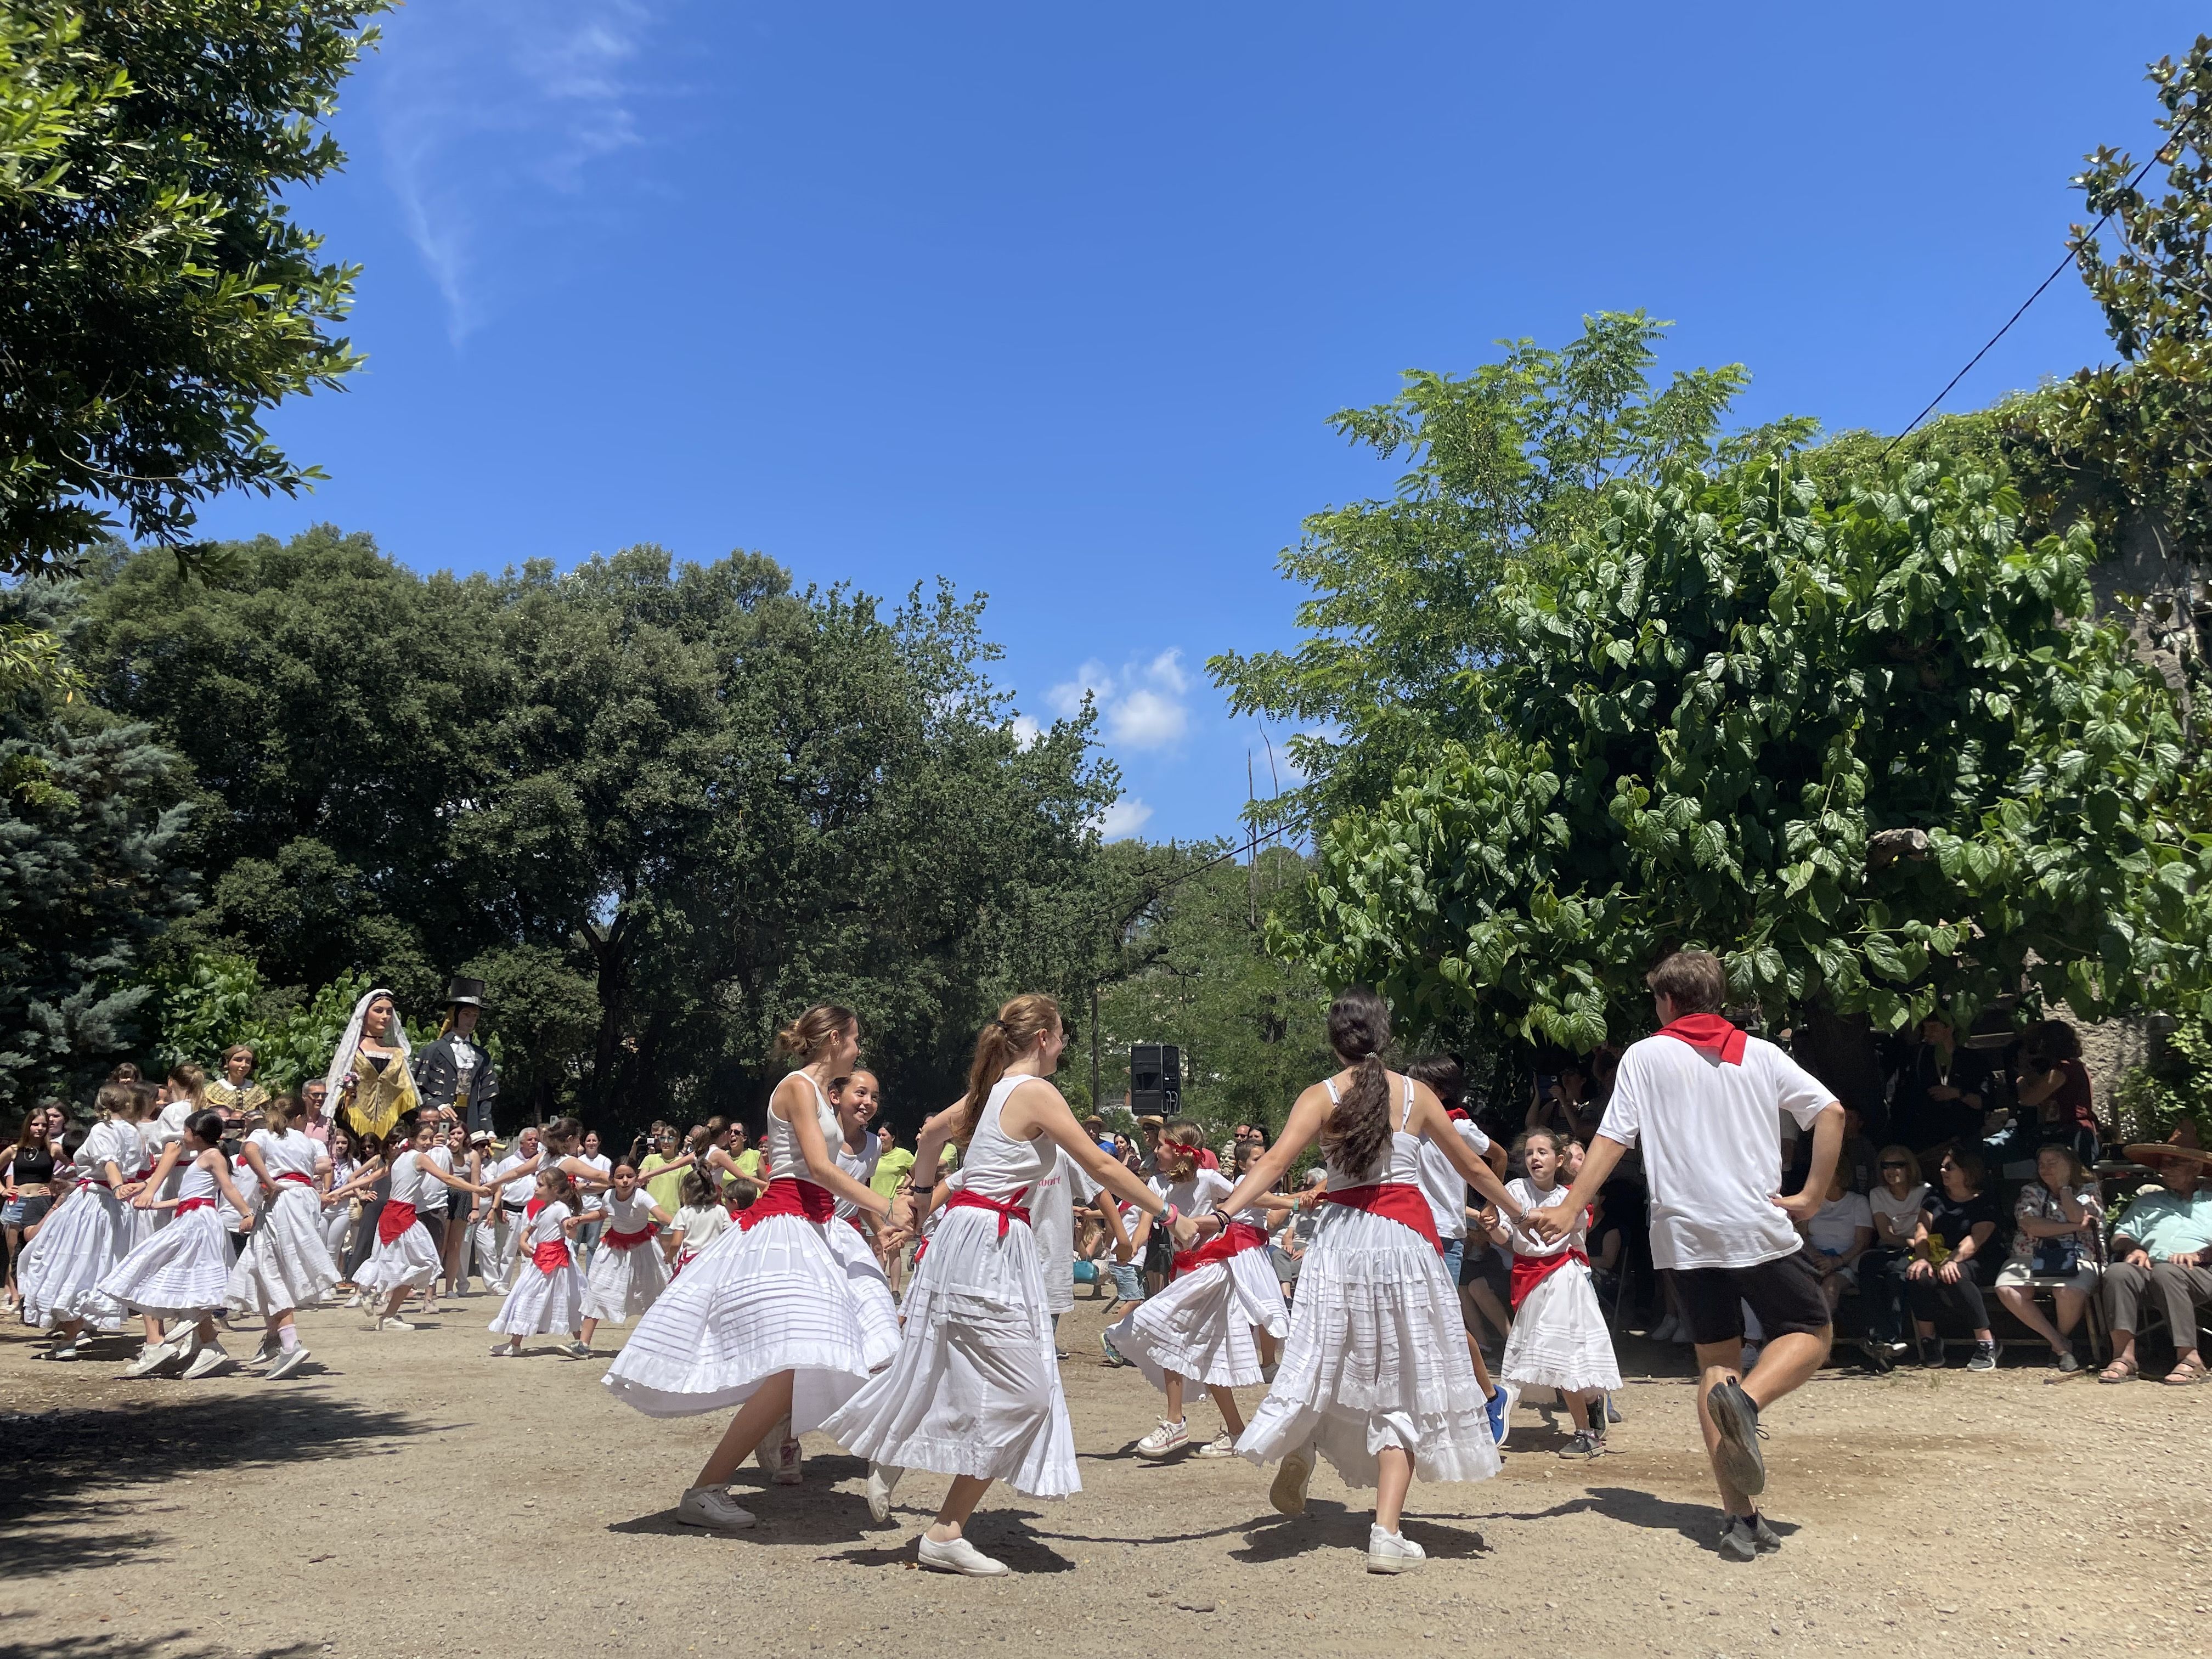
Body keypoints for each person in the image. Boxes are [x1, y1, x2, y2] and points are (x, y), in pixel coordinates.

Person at [821, 994, 1195, 1577]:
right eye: (1063, 1035)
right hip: (988, 1244)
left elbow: (927, 1139)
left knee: (986, 1377)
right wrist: (1174, 1218)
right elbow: (1101, 1167)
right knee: (1026, 1391)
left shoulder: (991, 1090)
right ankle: (937, 1519)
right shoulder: (1031, 1091)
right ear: (1044, 1035)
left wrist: (920, 1204)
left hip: (983, 1240)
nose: (1066, 1046)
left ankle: (935, 1511)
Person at [1532, 950, 1842, 1562]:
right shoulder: (1760, 1053)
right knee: (1811, 1331)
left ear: (1666, 1002)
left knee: (1715, 1363)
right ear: (1718, 999)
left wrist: (1570, 1210)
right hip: (1756, 1223)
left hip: (1686, 1233)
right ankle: (1748, 1407)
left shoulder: (1646, 1056)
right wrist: (1811, 1194)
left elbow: (1614, 1137)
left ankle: (1739, 1518)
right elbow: (1829, 1111)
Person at [1214, 988, 1525, 1575]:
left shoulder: (1321, 1095)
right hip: (1405, 1247)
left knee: (1328, 1356)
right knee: (1401, 1377)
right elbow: (1474, 1167)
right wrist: (1518, 1211)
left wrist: (1224, 1212)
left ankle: (1302, 1441)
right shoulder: (1418, 1095)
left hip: (1340, 1245)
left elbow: (1274, 1162)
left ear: (1335, 1041)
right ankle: (1386, 1532)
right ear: (1384, 1037)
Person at [603, 1004, 894, 1530]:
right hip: (787, 1223)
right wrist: (886, 1207)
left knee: (811, 1356)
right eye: (855, 1039)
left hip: (810, 1224)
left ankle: (750, 1462)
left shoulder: (817, 1095)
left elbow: (826, 1172)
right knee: (795, 1357)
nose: (858, 1047)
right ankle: (712, 1484)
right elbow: (822, 1168)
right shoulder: (798, 1088)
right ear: (833, 1038)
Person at [1105, 1121, 1290, 1459]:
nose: (1154, 1150)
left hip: (1213, 1268)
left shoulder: (1208, 1179)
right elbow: (1145, 1227)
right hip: (1187, 1270)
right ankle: (1236, 1432)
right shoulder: (1158, 1186)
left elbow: (1249, 1196)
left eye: (1160, 1145)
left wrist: (1289, 1201)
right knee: (1207, 1350)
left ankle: (1175, 1423)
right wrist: (1128, 1247)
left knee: (1168, 1329)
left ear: (1177, 1150)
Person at [1491, 1128, 1622, 1457]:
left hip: (1563, 1280)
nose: (1535, 1158)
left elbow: (1557, 1224)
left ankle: (1585, 1432)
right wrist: (1492, 1224)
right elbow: (1505, 1237)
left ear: (1559, 1159)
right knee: (1550, 1354)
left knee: (1562, 1354)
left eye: (1543, 1152)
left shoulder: (1570, 1197)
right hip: (1531, 1281)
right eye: (1529, 1153)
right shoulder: (1515, 1189)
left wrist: (1519, 1214)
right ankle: (1592, 1406)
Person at [100, 1108, 258, 1379]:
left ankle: (191, 1316)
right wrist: (156, 1204)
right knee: (180, 1269)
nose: (182, 1137)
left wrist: (246, 1212)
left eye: (185, 1132)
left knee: (170, 1265)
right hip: (190, 1217)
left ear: (197, 1136)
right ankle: (208, 1343)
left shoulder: (212, 1156)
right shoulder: (202, 1158)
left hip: (199, 1223)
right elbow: (190, 1197)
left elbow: (228, 1189)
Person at [1408, 1052, 1515, 1446]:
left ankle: (1491, 1396)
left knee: (1445, 1324)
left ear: (1435, 1089)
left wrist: (1492, 1203)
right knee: (1416, 1322)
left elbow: (1499, 1156)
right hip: (1407, 1231)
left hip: (1445, 1235)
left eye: (1416, 1082)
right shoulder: (1405, 1125)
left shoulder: (1458, 1126)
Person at [17, 1083, 144, 1357]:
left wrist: (117, 1185)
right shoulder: (133, 1132)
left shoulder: (103, 1129)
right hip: (117, 1208)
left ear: (100, 1105)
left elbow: (109, 1163)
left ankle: (68, 1336)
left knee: (69, 1260)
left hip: (95, 1205)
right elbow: (139, 1165)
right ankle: (74, 1330)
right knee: (94, 1265)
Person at [220, 1093, 338, 1380]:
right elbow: (321, 1166)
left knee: (272, 1270)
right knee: (258, 1265)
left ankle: (289, 1342)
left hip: (284, 1201)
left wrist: (270, 1182)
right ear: (299, 1118)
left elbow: (248, 1150)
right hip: (302, 1199)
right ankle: (275, 1336)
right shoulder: (307, 1141)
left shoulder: (264, 1134)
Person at [2096, 1130, 2212, 1385]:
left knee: (2167, 1273)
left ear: (2196, 1167)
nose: (2164, 1170)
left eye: (2173, 1164)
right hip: (2150, 1270)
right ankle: (2124, 1358)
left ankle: (2191, 1359)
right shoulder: (2148, 1201)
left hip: (2203, 1272)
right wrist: (2133, 1248)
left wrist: (2200, 1254)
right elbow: (2121, 1235)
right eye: (2162, 1164)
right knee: (2118, 1272)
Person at [354, 1117, 489, 1331]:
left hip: (393, 1213)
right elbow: (448, 1179)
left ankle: (377, 1299)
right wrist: (476, 1190)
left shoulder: (399, 1158)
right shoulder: (418, 1158)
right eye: (423, 1138)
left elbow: (370, 1177)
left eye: (430, 1138)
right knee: (423, 1262)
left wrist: (339, 1192)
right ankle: (383, 1308)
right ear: (413, 1139)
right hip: (403, 1216)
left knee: (396, 1260)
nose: (427, 1143)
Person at [1993, 1143, 2102, 1373]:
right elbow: (2032, 1226)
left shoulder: (2089, 1190)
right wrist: (2073, 1226)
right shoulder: (2030, 1191)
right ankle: (2061, 1345)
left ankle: (2059, 1344)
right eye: (2042, 1163)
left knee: (2068, 1291)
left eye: (2053, 1163)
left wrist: (2064, 1188)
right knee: (2007, 1289)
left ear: (2070, 1165)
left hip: (2079, 1256)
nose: (2045, 1168)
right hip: (2029, 1255)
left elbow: (2080, 1214)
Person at [489, 1166, 591, 1357]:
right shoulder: (543, 1209)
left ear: (553, 1189)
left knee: (565, 1300)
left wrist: (571, 1229)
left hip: (556, 1263)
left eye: (540, 1185)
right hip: (540, 1261)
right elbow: (528, 1230)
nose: (535, 1189)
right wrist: (522, 1242)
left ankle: (580, 1342)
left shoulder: (561, 1208)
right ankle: (515, 1344)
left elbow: (567, 1226)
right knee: (526, 1296)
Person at [1890, 1014, 1993, 1160]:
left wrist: (1957, 1094)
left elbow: (1985, 1102)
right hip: (1928, 1141)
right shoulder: (1917, 1057)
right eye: (1925, 1028)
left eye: (1933, 1028)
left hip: (1965, 1138)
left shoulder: (1973, 1061)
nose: (1927, 1033)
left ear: (1949, 1029)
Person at [325, 988, 419, 1146]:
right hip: (349, 1125)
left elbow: (405, 1095)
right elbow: (334, 1090)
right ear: (365, 1013)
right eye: (378, 1011)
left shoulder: (397, 1054)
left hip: (389, 1129)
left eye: (389, 1012)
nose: (385, 1017)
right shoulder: (351, 1052)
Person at [411, 977, 501, 1135]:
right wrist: (438, 1106)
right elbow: (415, 1089)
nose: (471, 1020)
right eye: (466, 1014)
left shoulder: (482, 1056)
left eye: (475, 1015)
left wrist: (488, 1130)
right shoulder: (433, 1050)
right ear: (453, 1015)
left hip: (471, 1125)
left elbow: (485, 1099)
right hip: (439, 1126)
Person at [2007, 1020, 2101, 1165]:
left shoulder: (2063, 1069)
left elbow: (2029, 1099)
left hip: (2072, 1134)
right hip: (2070, 1133)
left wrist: (2021, 1079)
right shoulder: (2073, 1066)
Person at [3, 1105, 62, 1311]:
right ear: (28, 1126)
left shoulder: (53, 1149)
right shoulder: (14, 1150)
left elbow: (76, 1166)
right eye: (35, 1124)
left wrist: (56, 1184)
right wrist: (4, 1190)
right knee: (15, 1254)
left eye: (44, 1125)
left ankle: (37, 1299)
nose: (39, 1128)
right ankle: (18, 1299)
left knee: (42, 1251)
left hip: (41, 1204)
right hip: (17, 1204)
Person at [473, 1126, 540, 1294]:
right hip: (511, 1210)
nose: (534, 1142)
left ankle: (527, 1285)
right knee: (508, 1250)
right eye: (530, 1139)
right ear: (522, 1142)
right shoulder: (508, 1163)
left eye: (536, 1140)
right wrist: (499, 1209)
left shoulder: (541, 1162)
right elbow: (499, 1188)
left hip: (533, 1210)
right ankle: (502, 1283)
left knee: (531, 1248)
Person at [1799, 1169, 1875, 1317]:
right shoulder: (1811, 1201)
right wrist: (1817, 1259)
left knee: (1831, 1286)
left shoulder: (1857, 1202)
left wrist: (1836, 1262)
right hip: (1812, 1260)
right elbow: (1802, 1235)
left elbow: (1862, 1242)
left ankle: (1821, 1335)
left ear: (1840, 1177)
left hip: (1845, 1264)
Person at [666, 1169, 730, 1277]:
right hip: (714, 1261)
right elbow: (729, 1235)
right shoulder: (721, 1210)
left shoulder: (684, 1213)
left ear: (686, 1190)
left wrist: (669, 1256)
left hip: (691, 1264)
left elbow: (676, 1243)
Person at [204, 1046, 270, 1130]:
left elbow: (268, 1118)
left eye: (248, 1061)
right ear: (227, 1062)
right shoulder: (212, 1090)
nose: (244, 1065)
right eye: (238, 1060)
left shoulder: (258, 1091)